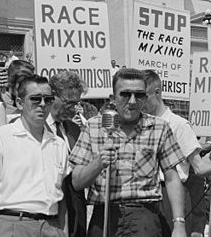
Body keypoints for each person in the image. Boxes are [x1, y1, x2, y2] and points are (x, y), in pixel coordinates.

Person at [69, 68, 187, 237]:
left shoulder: (159, 127)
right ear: (113, 98)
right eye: (125, 94)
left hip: (145, 217)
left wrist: (179, 223)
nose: (132, 101)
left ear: (145, 98)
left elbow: (172, 177)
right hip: (104, 216)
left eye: (139, 95)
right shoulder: (94, 126)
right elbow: (76, 182)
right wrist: (98, 163)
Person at [0, 74, 67, 237]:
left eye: (48, 99)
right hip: (12, 225)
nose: (42, 105)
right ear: (20, 103)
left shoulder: (59, 144)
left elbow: (62, 200)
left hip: (51, 226)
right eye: (35, 99)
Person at [142, 70, 211, 236]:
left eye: (144, 96)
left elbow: (198, 167)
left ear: (157, 93)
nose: (139, 102)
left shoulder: (179, 125)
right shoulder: (141, 124)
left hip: (170, 196)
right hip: (145, 195)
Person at [48, 71, 88, 237]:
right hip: (49, 214)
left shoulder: (74, 129)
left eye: (76, 104)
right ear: (53, 96)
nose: (72, 109)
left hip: (76, 214)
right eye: (68, 103)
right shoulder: (34, 128)